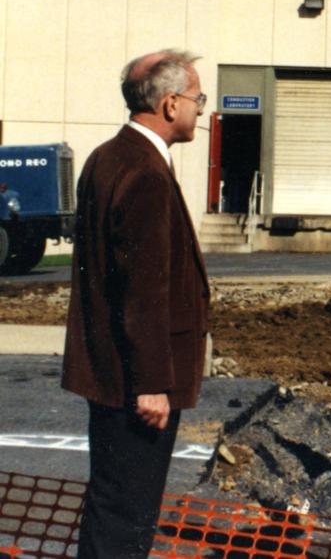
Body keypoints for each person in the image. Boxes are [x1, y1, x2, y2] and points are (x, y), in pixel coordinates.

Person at [62, 50, 210, 559]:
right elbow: (143, 293)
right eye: (197, 99)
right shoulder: (145, 172)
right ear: (170, 104)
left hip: (105, 371)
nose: (201, 111)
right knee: (129, 512)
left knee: (111, 506)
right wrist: (152, 384)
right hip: (136, 383)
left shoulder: (107, 156)